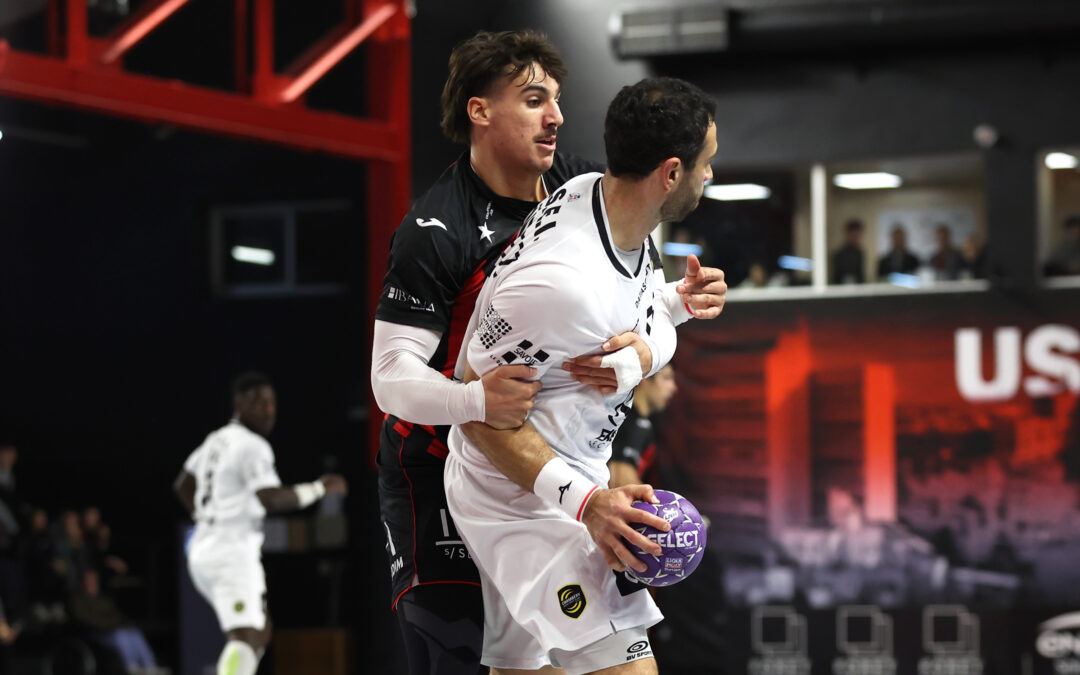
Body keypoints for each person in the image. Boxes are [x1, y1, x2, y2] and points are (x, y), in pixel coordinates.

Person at [370, 30, 728, 675]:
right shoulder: (439, 232)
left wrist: (654, 334)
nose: (556, 116)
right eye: (535, 100)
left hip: (542, 463)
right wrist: (474, 400)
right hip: (449, 464)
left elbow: (638, 310)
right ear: (480, 110)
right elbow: (394, 380)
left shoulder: (579, 184)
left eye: (557, 99)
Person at [173, 372, 347, 675]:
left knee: (261, 630)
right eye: (258, 402)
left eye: (271, 403)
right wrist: (319, 488)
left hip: (205, 548)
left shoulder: (217, 439)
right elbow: (271, 499)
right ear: (238, 404)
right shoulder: (252, 445)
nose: (268, 410)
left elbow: (183, 485)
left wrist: (207, 516)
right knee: (246, 636)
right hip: (230, 551)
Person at [608, 365, 677, 489]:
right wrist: (655, 501)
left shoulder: (636, 420)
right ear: (644, 379)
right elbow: (619, 481)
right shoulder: (632, 423)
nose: (673, 388)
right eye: (666, 378)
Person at [831, 219, 865, 284]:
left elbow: (861, 276)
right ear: (848, 234)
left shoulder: (860, 253)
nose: (856, 238)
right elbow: (836, 278)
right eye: (854, 235)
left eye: (858, 235)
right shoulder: (839, 255)